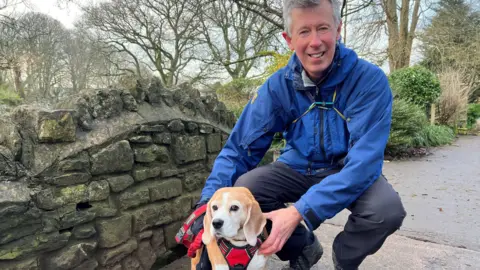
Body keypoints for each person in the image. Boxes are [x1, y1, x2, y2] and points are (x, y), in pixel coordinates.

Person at [189, 0, 407, 269]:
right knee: (248, 187)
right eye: (304, 32)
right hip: (297, 167)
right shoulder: (276, 88)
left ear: (338, 30)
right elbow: (238, 150)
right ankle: (302, 246)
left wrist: (299, 211)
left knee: (386, 211)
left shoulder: (369, 81)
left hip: (347, 168)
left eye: (323, 28)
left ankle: (345, 256)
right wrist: (204, 204)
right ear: (289, 39)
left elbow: (365, 163)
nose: (315, 42)